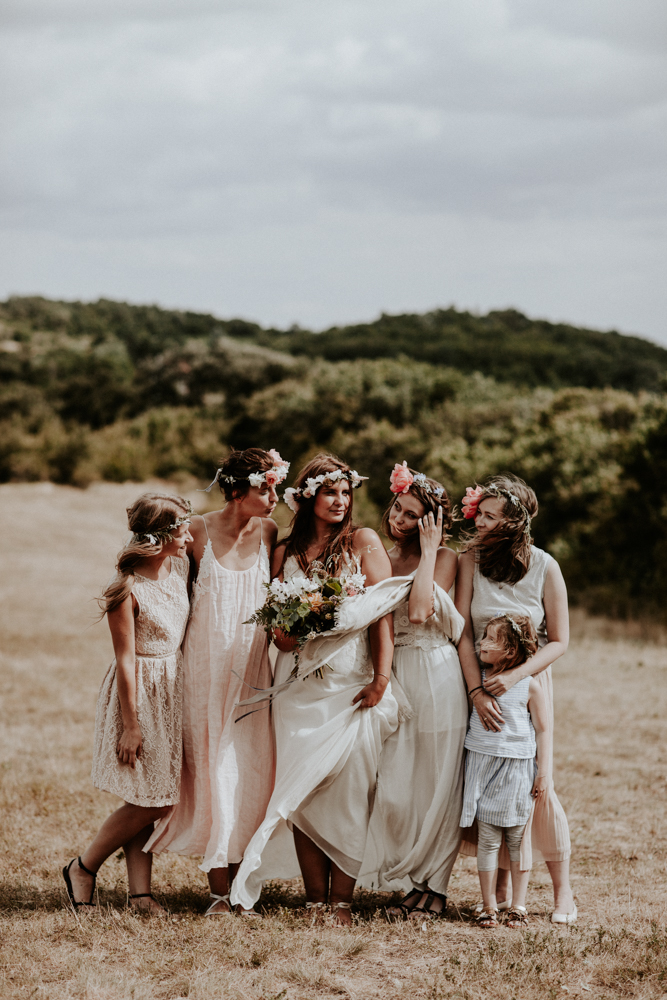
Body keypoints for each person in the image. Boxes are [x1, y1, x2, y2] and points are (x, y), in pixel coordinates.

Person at [231, 454, 409, 925]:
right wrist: (286, 632)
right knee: (303, 791)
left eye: (345, 493)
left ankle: (342, 903)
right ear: (308, 497)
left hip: (352, 685)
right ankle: (314, 901)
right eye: (330, 492)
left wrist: (381, 680)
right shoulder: (284, 553)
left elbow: (381, 615)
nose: (339, 501)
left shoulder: (364, 542)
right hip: (296, 689)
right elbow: (278, 630)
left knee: (350, 792)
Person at [145, 448, 284, 916]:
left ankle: (244, 882)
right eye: (265, 487)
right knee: (213, 774)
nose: (273, 495)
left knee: (251, 773)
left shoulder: (270, 532)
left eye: (275, 485)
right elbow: (170, 595)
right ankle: (219, 893)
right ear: (236, 489)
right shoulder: (197, 532)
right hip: (204, 673)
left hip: (252, 674)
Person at [63, 492, 193, 915]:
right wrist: (130, 724)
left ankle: (140, 895)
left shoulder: (180, 567)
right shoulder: (126, 591)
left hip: (174, 688)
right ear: (160, 536)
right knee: (155, 800)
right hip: (139, 693)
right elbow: (124, 660)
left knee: (148, 794)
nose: (190, 535)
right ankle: (83, 867)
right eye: (182, 528)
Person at [455, 474, 576, 924]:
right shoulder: (470, 560)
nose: (478, 522)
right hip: (481, 683)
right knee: (493, 788)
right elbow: (464, 630)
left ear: (514, 522)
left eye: (489, 516)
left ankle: (563, 893)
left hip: (530, 683)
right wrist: (475, 690)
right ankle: (501, 891)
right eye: (479, 513)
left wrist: (518, 678)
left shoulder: (546, 566)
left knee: (535, 788)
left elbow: (560, 640)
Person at [363, 462, 466, 920]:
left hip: (436, 671)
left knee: (439, 781)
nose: (399, 520)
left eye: (411, 515)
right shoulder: (383, 553)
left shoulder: (445, 559)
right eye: (398, 509)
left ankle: (434, 888)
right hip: (396, 671)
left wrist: (428, 549)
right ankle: (409, 877)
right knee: (398, 783)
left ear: (431, 522)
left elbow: (421, 611)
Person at [462, 614, 548, 929]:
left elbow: (543, 729)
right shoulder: (478, 680)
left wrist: (544, 772)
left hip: (517, 770)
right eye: (482, 636)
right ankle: (488, 907)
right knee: (487, 840)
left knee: (517, 839)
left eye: (489, 638)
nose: (481, 642)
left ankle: (518, 906)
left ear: (510, 651)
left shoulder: (528, 687)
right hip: (483, 769)